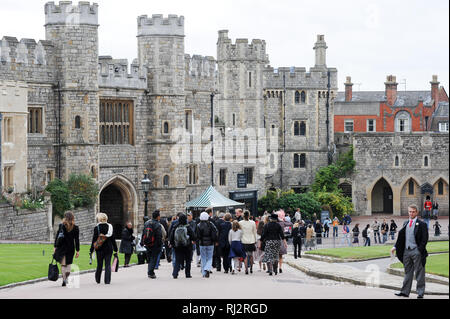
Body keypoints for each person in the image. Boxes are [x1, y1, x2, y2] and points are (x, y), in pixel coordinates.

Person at [391, 204, 429, 299]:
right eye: (410, 211)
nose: (411, 213)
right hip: (406, 252)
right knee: (407, 272)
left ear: (416, 212)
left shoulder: (422, 224)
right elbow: (401, 238)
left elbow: (425, 239)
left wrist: (419, 250)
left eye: (413, 212)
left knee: (419, 273)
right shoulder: (405, 223)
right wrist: (395, 246)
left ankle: (420, 293)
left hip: (416, 251)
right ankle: (404, 292)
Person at [90, 212, 118, 284]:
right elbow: (113, 239)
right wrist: (116, 249)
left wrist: (91, 249)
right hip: (108, 248)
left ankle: (98, 279)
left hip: (99, 248)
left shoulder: (97, 227)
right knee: (107, 264)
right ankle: (107, 280)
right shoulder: (110, 227)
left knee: (99, 264)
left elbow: (94, 239)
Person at [53, 211, 80, 287]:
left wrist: (55, 246)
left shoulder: (62, 225)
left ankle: (64, 279)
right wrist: (78, 250)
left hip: (61, 247)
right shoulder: (75, 227)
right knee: (68, 264)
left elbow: (57, 236)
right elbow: (77, 240)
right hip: (70, 248)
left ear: (65, 217)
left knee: (63, 265)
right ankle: (67, 277)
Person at [168, 214, 196, 279]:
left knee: (178, 260)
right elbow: (193, 236)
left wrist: (172, 244)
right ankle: (187, 274)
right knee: (188, 260)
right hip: (187, 246)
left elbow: (171, 236)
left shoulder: (175, 227)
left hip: (178, 246)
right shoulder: (188, 227)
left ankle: (175, 273)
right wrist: (193, 240)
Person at [141, 210, 163, 279]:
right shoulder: (157, 224)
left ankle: (150, 271)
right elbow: (159, 235)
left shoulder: (147, 223)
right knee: (153, 258)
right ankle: (150, 272)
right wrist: (160, 244)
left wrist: (142, 241)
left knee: (150, 258)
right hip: (155, 244)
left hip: (147, 243)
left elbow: (143, 233)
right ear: (158, 217)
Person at [196, 211, 218, 278]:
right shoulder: (211, 224)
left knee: (203, 258)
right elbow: (215, 232)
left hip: (202, 243)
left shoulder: (198, 225)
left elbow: (198, 236)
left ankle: (204, 272)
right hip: (210, 243)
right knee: (209, 257)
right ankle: (207, 268)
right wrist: (215, 240)